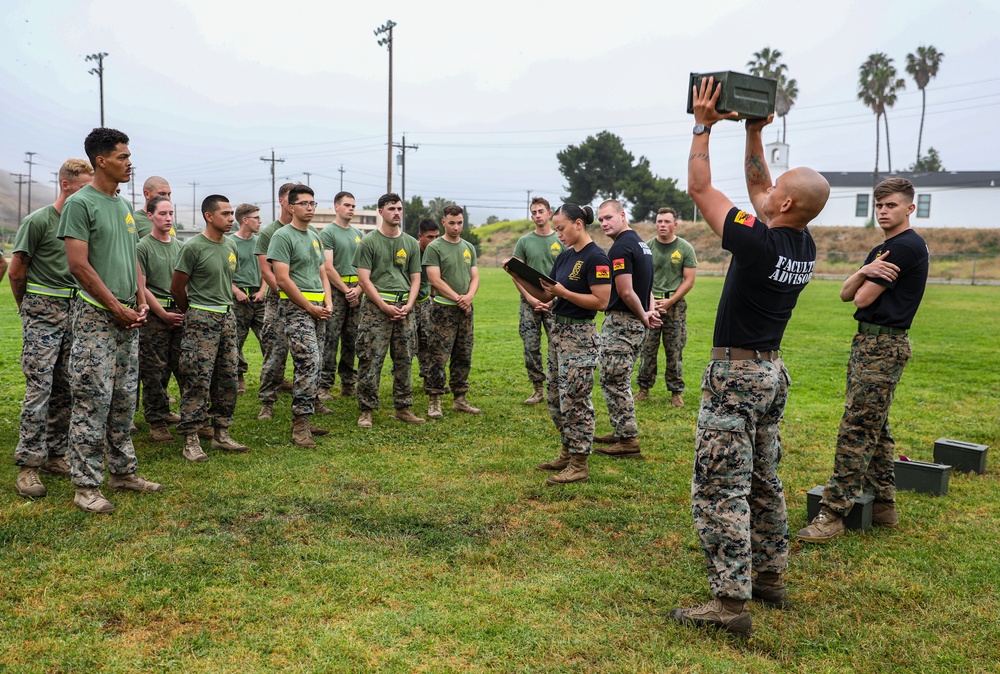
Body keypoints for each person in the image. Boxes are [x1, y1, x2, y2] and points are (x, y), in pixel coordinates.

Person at [668, 77, 829, 638]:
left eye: (776, 190)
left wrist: (702, 126)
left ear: (783, 204)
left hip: (735, 375)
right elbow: (763, 192)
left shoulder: (757, 242)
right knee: (763, 479)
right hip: (769, 374)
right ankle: (770, 577)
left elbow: (700, 188)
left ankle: (730, 603)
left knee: (720, 489)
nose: (766, 193)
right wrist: (756, 134)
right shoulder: (802, 244)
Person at [797, 178, 929, 543]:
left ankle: (833, 513)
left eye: (891, 206)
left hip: (883, 348)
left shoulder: (904, 247)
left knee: (856, 430)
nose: (884, 212)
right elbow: (845, 292)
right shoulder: (882, 248)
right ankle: (884, 505)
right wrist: (862, 271)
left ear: (909, 208)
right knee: (876, 427)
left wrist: (863, 276)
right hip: (868, 345)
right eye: (880, 206)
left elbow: (861, 299)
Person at [57, 127, 164, 513]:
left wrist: (139, 300)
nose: (129, 162)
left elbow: (131, 257)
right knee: (91, 398)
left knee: (122, 398)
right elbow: (78, 265)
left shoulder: (121, 205)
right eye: (122, 156)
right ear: (101, 161)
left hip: (127, 315)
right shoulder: (80, 204)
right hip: (96, 317)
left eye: (129, 155)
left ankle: (122, 472)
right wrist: (114, 308)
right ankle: (86, 486)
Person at [504, 203, 611, 486]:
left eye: (561, 228)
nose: (559, 234)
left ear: (578, 224)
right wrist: (517, 275)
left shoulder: (596, 257)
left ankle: (579, 463)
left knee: (576, 400)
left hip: (580, 337)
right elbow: (547, 293)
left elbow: (601, 302)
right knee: (555, 398)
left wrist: (563, 292)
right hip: (558, 333)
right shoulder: (564, 258)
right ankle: (566, 451)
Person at [11, 158, 94, 499]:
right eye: (84, 187)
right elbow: (17, 271)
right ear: (66, 185)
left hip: (75, 310)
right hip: (43, 310)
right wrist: (27, 311)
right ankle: (29, 466)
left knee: (67, 387)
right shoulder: (39, 221)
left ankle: (56, 455)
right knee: (40, 387)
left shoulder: (83, 222)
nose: (89, 194)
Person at [171, 195, 249, 461]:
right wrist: (193, 312)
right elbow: (177, 288)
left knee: (227, 377)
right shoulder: (193, 247)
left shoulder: (230, 246)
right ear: (209, 216)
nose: (231, 219)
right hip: (201, 319)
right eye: (225, 214)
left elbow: (227, 281)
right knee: (197, 379)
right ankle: (191, 438)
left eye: (231, 214)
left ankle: (221, 433)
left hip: (227, 318)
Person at [267, 184, 333, 447]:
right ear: (291, 207)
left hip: (319, 310)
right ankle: (300, 424)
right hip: (298, 309)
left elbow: (322, 272)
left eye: (312, 203)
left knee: (316, 363)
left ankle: (308, 413)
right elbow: (282, 279)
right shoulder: (282, 236)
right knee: (308, 362)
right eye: (304, 203)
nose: (309, 208)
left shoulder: (314, 235)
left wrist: (328, 302)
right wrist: (309, 306)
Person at [591, 199, 659, 459]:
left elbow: (626, 291)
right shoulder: (642, 245)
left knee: (614, 380)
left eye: (608, 217)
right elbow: (648, 287)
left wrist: (643, 315)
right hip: (635, 322)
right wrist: (648, 312)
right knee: (618, 379)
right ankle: (622, 430)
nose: (604, 223)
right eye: (601, 220)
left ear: (622, 215)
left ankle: (628, 441)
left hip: (623, 324)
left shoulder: (620, 249)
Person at [353, 193, 424, 428]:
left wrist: (409, 305)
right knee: (371, 359)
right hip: (376, 310)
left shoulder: (411, 243)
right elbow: (364, 279)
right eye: (392, 208)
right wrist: (383, 306)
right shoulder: (369, 242)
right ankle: (366, 409)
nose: (397, 212)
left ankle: (403, 407)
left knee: (404, 358)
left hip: (404, 308)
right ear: (380, 211)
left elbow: (416, 278)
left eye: (400, 209)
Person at [423, 205, 481, 418]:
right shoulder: (435, 248)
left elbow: (474, 277)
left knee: (463, 354)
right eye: (452, 223)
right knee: (438, 355)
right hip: (443, 309)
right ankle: (435, 399)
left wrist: (469, 297)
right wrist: (458, 298)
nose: (456, 227)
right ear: (443, 222)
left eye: (460, 223)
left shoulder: (468, 247)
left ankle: (460, 398)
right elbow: (434, 280)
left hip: (465, 310)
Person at [635, 207, 697, 406]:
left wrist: (670, 301)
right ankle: (643, 389)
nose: (662, 225)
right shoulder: (647, 247)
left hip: (675, 306)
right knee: (647, 349)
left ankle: (676, 392)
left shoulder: (685, 248)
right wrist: (653, 302)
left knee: (675, 350)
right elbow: (641, 278)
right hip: (650, 304)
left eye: (667, 222)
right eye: (659, 221)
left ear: (675, 225)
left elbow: (689, 280)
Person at [136, 195, 184, 443]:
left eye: (171, 213)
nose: (168, 218)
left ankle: (168, 411)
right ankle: (156, 421)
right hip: (156, 317)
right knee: (154, 372)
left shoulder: (179, 246)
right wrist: (163, 314)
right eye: (162, 214)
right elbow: (141, 287)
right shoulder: (142, 246)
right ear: (150, 216)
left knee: (181, 367)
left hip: (179, 314)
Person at [511, 197, 564, 405]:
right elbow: (516, 273)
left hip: (556, 303)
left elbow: (567, 275)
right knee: (531, 346)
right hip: (529, 303)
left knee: (557, 345)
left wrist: (553, 300)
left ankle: (557, 387)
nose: (537, 216)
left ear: (549, 214)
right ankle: (537, 389)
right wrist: (531, 298)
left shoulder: (560, 240)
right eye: (533, 212)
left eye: (540, 211)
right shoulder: (524, 242)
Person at [256, 182, 297, 419]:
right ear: (282, 201)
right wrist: (286, 293)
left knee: (308, 354)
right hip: (278, 302)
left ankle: (311, 398)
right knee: (276, 352)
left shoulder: (309, 232)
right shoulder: (270, 232)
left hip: (304, 301)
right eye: (293, 199)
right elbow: (266, 270)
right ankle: (267, 402)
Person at [318, 191, 363, 399]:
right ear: (336, 207)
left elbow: (365, 266)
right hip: (337, 290)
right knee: (331, 338)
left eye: (353, 206)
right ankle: (324, 385)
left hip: (357, 289)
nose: (351, 209)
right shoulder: (328, 232)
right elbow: (327, 266)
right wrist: (346, 290)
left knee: (352, 339)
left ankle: (348, 383)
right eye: (347, 205)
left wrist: (358, 289)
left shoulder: (358, 233)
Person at [229, 203, 267, 395]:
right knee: (235, 341)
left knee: (268, 339)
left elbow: (267, 271)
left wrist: (262, 291)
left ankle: (270, 379)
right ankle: (239, 376)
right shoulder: (230, 243)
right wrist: (236, 292)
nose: (260, 221)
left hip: (259, 298)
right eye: (256, 218)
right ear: (245, 220)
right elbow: (223, 274)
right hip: (238, 298)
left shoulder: (260, 242)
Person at [414, 218, 440, 383]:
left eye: (437, 237)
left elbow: (433, 278)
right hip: (408, 304)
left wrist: (431, 297)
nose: (434, 241)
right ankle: (401, 381)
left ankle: (428, 377)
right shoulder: (412, 251)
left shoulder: (436, 252)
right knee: (407, 344)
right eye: (430, 237)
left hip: (425, 301)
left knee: (428, 340)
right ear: (420, 236)